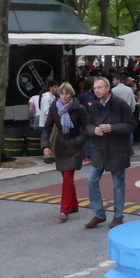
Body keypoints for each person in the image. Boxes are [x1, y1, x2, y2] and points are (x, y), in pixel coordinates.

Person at [84, 76, 135, 230]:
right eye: (95, 88)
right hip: (99, 149)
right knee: (91, 180)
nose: (97, 91)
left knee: (118, 184)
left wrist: (113, 128)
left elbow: (131, 125)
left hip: (117, 149)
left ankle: (118, 216)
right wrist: (94, 130)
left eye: (100, 87)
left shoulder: (120, 104)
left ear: (107, 88)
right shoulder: (93, 106)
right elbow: (87, 125)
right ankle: (99, 213)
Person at [41, 82, 88, 222]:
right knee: (66, 177)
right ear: (59, 94)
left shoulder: (79, 109)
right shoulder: (54, 108)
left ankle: (64, 209)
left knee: (68, 176)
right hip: (61, 145)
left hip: (74, 146)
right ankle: (73, 205)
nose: (64, 96)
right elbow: (47, 128)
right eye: (62, 93)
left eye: (67, 94)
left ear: (71, 94)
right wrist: (45, 146)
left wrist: (79, 141)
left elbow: (86, 128)